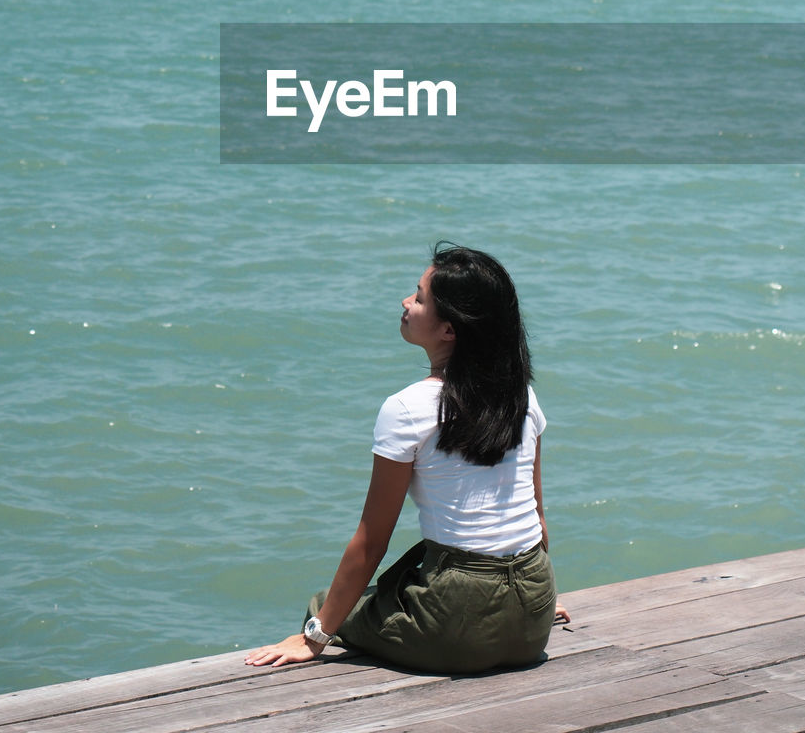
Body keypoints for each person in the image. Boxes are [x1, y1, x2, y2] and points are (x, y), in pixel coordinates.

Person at [244, 242, 569, 674]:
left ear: (449, 330)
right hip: (533, 609)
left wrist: (314, 637)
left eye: (418, 298)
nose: (405, 302)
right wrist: (537, 601)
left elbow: (371, 541)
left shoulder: (408, 409)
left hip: (460, 619)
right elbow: (536, 518)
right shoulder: (522, 397)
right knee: (386, 592)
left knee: (325, 606)